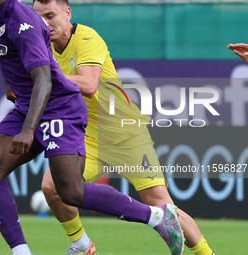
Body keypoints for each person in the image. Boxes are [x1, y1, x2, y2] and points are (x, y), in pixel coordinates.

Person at [0, 0, 185, 255]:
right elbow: (6, 55)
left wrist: (28, 129)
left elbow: (44, 79)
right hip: (28, 106)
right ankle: (21, 252)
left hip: (59, 108)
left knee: (70, 191)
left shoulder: (24, 23)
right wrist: (8, 83)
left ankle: (156, 217)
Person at [32, 0, 216, 255]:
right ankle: (80, 244)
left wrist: (44, 76)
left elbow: (88, 84)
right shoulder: (42, 46)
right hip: (86, 136)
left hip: (125, 134)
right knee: (51, 187)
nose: (45, 23)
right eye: (39, 17)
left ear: (67, 13)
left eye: (50, 16)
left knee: (162, 205)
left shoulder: (87, 38)